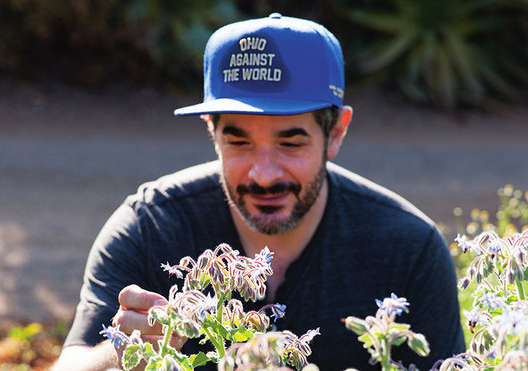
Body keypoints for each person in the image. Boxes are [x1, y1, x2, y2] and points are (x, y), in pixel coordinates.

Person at [53, 13, 465, 371]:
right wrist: (124, 356)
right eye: (239, 142)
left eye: (291, 143)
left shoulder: (410, 249)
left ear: (335, 132)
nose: (263, 174)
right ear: (212, 132)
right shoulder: (148, 227)